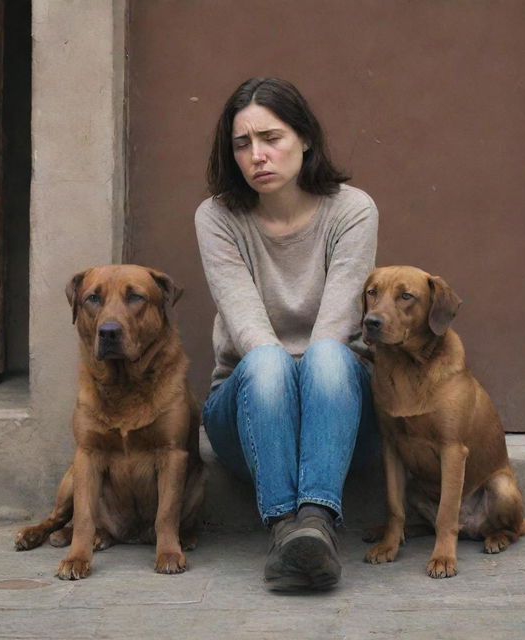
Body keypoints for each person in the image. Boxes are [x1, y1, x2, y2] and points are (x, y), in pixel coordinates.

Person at [195, 77, 379, 591]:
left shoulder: (352, 210)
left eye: (271, 138)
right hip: (249, 416)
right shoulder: (217, 217)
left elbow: (338, 325)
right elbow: (249, 328)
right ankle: (284, 529)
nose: (257, 155)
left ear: (305, 139)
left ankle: (315, 525)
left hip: (340, 412)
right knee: (268, 361)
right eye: (242, 144)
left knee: (327, 354)